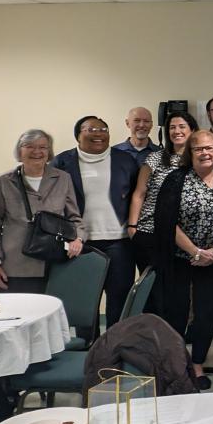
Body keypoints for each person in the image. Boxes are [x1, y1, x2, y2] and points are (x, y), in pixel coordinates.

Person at [153, 130, 213, 390]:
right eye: (199, 149)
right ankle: (175, 364)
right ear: (189, 154)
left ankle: (198, 363)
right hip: (180, 259)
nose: (205, 153)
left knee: (206, 314)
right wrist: (195, 251)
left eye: (210, 148)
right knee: (176, 312)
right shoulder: (176, 180)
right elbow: (166, 221)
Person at [53, 116, 139, 330]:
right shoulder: (63, 162)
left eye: (104, 129)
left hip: (119, 242)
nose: (99, 133)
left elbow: (138, 196)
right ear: (78, 134)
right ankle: (86, 349)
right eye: (92, 129)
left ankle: (113, 347)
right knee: (86, 298)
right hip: (81, 243)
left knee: (119, 298)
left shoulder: (125, 160)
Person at [0, 130, 85, 294]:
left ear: (49, 152)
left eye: (43, 147)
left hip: (56, 265)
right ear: (19, 151)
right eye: (30, 146)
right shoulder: (2, 182)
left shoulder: (63, 178)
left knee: (51, 316)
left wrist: (78, 239)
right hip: (15, 268)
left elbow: (74, 218)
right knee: (17, 316)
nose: (37, 151)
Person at [127, 111, 197, 276]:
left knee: (177, 288)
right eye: (172, 127)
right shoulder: (155, 158)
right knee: (153, 288)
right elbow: (139, 193)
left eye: (182, 126)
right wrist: (132, 227)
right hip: (150, 231)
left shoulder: (200, 159)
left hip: (186, 237)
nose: (176, 131)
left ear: (192, 130)